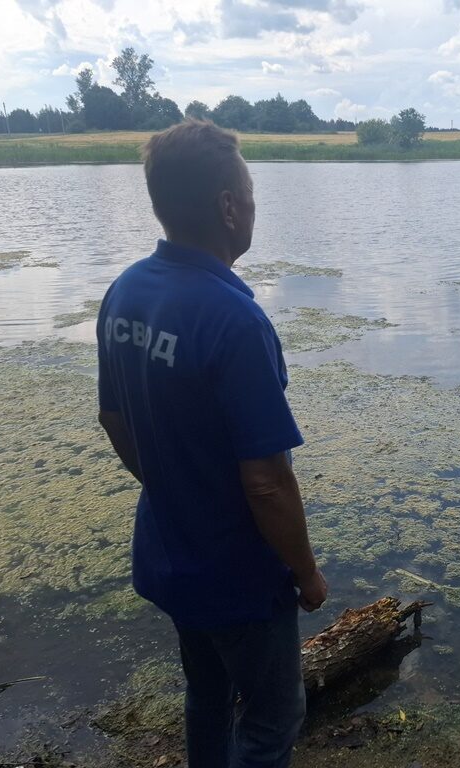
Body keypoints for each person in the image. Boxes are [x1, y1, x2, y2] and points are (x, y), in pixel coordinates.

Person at [96, 119, 327, 768]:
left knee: (208, 693)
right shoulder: (235, 320)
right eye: (250, 194)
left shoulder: (125, 292)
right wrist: (306, 573)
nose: (253, 206)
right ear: (228, 207)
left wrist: (173, 487)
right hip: (239, 575)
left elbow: (113, 419)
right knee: (273, 719)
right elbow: (267, 482)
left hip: (170, 552)